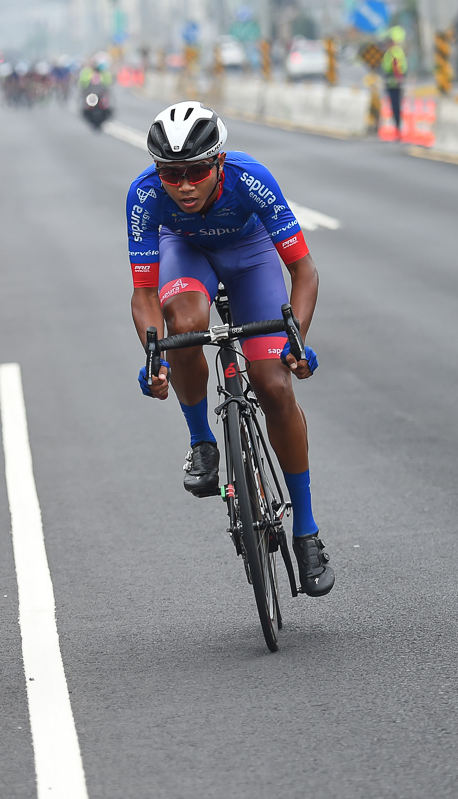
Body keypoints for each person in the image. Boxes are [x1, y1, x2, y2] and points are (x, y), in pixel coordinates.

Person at [127, 101, 335, 597]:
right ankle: (202, 442)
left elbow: (304, 272)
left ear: (218, 162)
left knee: (271, 384)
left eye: (196, 170)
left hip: (251, 256)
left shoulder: (251, 178)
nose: (184, 185)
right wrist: (154, 357)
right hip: (186, 253)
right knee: (186, 323)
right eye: (171, 174)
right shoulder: (144, 195)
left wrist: (296, 341)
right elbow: (144, 296)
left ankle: (306, 531)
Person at [382, 26, 408, 140]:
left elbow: (396, 65)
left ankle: (399, 130)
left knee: (396, 106)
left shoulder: (394, 52)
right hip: (392, 82)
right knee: (395, 107)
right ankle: (397, 129)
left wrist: (398, 78)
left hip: (394, 83)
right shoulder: (391, 51)